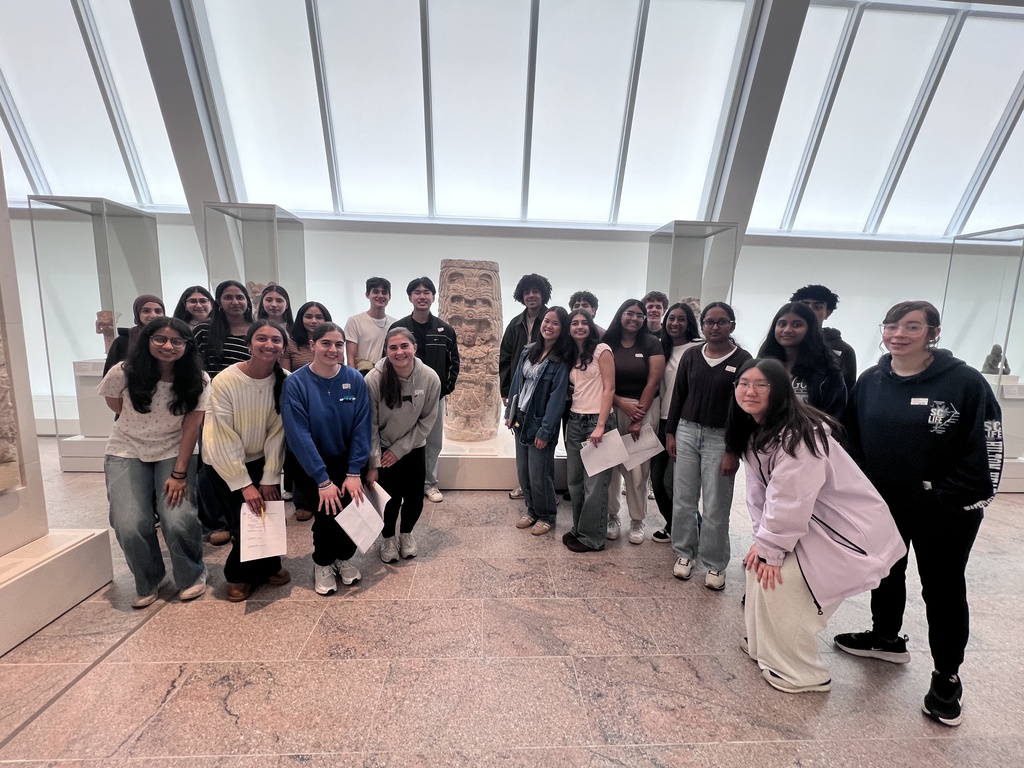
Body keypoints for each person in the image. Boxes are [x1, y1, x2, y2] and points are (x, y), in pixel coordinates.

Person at [833, 301, 1003, 727]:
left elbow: (986, 453)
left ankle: (947, 676)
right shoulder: (872, 380)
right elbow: (851, 440)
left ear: (934, 332)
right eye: (891, 325)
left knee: (942, 590)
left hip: (945, 512)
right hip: (884, 504)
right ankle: (885, 638)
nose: (898, 333)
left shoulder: (965, 383)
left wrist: (944, 495)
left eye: (912, 326)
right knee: (885, 571)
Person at [726, 358, 905, 694]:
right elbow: (759, 497)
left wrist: (772, 552)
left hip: (844, 532)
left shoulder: (798, 435)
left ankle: (802, 672)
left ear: (778, 390)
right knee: (756, 567)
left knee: (782, 581)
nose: (749, 391)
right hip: (810, 526)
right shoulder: (756, 431)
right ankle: (763, 646)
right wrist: (762, 545)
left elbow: (791, 500)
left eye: (761, 384)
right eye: (743, 383)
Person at [97, 317, 209, 608]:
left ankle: (191, 574)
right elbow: (115, 404)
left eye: (176, 341)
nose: (168, 346)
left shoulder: (198, 379)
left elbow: (192, 426)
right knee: (130, 521)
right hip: (126, 449)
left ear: (187, 346)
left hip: (175, 449)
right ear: (147, 341)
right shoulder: (123, 372)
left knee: (177, 517)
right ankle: (150, 578)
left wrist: (180, 472)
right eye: (160, 339)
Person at [202, 319, 291, 601]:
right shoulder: (226, 380)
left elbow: (278, 432)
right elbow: (221, 435)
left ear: (283, 346)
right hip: (224, 463)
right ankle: (238, 575)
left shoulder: (284, 378)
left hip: (262, 459)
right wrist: (243, 483)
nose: (269, 345)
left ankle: (269, 566)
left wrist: (269, 477)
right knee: (244, 519)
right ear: (249, 343)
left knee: (269, 516)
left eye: (276, 340)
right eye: (262, 338)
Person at [665, 301, 752, 589]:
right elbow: (678, 395)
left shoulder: (743, 360)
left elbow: (743, 409)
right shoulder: (691, 355)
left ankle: (715, 564)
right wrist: (671, 432)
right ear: (702, 326)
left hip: (721, 438)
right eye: (709, 322)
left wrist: (733, 449)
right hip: (687, 432)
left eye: (721, 321)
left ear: (732, 326)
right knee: (684, 499)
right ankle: (684, 554)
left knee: (716, 504)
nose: (715, 327)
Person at [281, 322, 372, 595]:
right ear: (312, 345)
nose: (333, 350)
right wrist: (322, 479)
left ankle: (343, 558)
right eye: (326, 344)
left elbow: (361, 425)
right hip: (312, 464)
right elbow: (298, 433)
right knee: (326, 515)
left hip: (347, 462)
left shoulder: (354, 379)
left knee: (351, 512)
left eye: (339, 344)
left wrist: (355, 471)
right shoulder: (295, 383)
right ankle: (322, 563)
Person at [365, 327, 441, 562]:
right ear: (386, 350)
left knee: (415, 498)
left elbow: (427, 422)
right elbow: (371, 426)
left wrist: (401, 449)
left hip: (414, 447)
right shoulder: (374, 379)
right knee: (390, 499)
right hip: (384, 450)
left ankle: (406, 534)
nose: (399, 352)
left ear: (414, 348)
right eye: (393, 347)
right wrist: (374, 462)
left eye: (404, 346)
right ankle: (388, 537)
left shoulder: (429, 378)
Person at [390, 277, 459, 504]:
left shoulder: (445, 329)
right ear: (410, 297)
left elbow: (454, 363)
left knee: (432, 442)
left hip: (433, 398)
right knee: (402, 439)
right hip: (403, 397)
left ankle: (429, 484)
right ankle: (403, 486)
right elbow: (388, 360)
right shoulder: (399, 328)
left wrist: (443, 390)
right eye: (417, 292)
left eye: (427, 292)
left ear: (433, 296)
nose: (422, 296)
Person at [504, 307, 572, 536]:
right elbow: (516, 384)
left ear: (562, 329)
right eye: (547, 321)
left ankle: (547, 515)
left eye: (555, 323)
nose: (548, 326)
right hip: (521, 418)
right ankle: (531, 510)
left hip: (541, 421)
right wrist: (509, 414)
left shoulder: (561, 360)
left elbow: (557, 398)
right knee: (523, 471)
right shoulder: (528, 351)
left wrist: (545, 431)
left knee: (540, 473)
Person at [603, 299, 665, 544]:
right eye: (630, 313)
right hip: (611, 406)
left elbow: (654, 381)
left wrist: (638, 416)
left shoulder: (652, 343)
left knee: (637, 471)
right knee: (610, 464)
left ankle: (638, 520)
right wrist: (620, 404)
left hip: (644, 408)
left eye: (640, 315)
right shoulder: (607, 343)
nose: (635, 318)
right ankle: (612, 516)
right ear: (621, 315)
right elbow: (602, 381)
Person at [563, 309, 615, 552]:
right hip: (575, 421)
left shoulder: (601, 350)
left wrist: (601, 426)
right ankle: (579, 529)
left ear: (591, 326)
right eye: (575, 323)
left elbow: (609, 388)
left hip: (598, 422)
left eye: (584, 322)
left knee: (595, 484)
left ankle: (592, 538)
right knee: (574, 481)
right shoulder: (573, 353)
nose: (580, 326)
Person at [650, 302, 702, 544]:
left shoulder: (698, 349)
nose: (675, 323)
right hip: (662, 421)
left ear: (689, 322)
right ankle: (674, 525)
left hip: (686, 423)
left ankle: (692, 528)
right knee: (658, 481)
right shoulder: (662, 348)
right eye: (671, 318)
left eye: (681, 319)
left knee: (677, 484)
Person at [500, 273, 552, 501]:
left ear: (543, 294)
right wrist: (505, 391)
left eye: (535, 291)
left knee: (543, 444)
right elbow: (505, 357)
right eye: (527, 292)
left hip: (545, 392)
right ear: (522, 295)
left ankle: (544, 491)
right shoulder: (515, 323)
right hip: (519, 391)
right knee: (521, 441)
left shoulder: (552, 319)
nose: (531, 296)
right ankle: (527, 486)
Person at [757, 302, 846, 419]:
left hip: (810, 435)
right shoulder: (761, 365)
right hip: (764, 435)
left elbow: (834, 417)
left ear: (810, 329)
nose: (787, 330)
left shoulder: (827, 372)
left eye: (796, 324)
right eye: (782, 324)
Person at [790, 284, 857, 392]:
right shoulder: (778, 343)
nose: (810, 311)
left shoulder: (843, 350)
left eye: (818, 307)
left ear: (828, 313)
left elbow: (848, 394)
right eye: (804, 305)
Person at [193, 280, 254, 377]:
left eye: (240, 297)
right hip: (209, 389)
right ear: (219, 303)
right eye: (228, 297)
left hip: (245, 390)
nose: (235, 302)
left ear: (247, 301)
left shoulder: (257, 333)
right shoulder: (202, 330)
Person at [344, 277, 397, 375]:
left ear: (389, 296)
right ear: (367, 294)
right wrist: (355, 380)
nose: (380, 296)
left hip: (387, 375)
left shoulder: (395, 324)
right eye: (375, 292)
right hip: (362, 373)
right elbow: (350, 358)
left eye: (384, 292)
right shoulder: (355, 321)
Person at [102, 294, 165, 375]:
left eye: (158, 311)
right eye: (146, 311)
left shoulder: (171, 338)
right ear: (137, 314)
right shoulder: (124, 340)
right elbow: (109, 375)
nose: (153, 315)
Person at [285, 301, 332, 373]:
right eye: (308, 317)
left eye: (319, 317)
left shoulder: (334, 344)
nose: (314, 321)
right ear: (301, 319)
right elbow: (285, 376)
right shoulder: (290, 344)